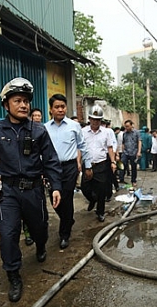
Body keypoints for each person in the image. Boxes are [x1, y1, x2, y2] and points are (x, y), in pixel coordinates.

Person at [0, 77, 62, 303]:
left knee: (39, 228)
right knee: (8, 234)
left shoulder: (39, 130)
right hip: (9, 192)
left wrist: (55, 187)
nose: (23, 105)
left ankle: (41, 244)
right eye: (18, 100)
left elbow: (51, 160)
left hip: (33, 190)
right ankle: (13, 275)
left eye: (26, 101)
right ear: (6, 105)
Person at [44, 94, 91, 250]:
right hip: (51, 168)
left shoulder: (73, 126)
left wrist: (88, 165)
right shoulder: (44, 128)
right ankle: (68, 219)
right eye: (57, 107)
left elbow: (83, 146)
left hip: (69, 167)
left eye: (63, 106)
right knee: (55, 200)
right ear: (51, 109)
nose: (60, 109)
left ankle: (64, 234)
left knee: (67, 196)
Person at [80, 105, 117, 222]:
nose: (95, 122)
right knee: (84, 188)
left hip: (101, 164)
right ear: (89, 119)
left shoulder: (106, 132)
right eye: (93, 119)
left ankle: (100, 212)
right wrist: (78, 162)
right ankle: (92, 199)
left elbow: (110, 148)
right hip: (87, 165)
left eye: (98, 120)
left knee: (101, 190)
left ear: (101, 121)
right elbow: (79, 148)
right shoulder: (83, 132)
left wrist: (113, 162)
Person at [118, 120, 141, 187]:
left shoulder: (136, 133)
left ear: (131, 125)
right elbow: (123, 143)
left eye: (128, 126)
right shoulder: (124, 134)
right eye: (125, 126)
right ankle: (121, 178)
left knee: (133, 167)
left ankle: (133, 181)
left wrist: (139, 151)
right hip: (125, 152)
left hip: (134, 152)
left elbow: (139, 142)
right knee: (122, 165)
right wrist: (122, 151)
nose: (126, 128)